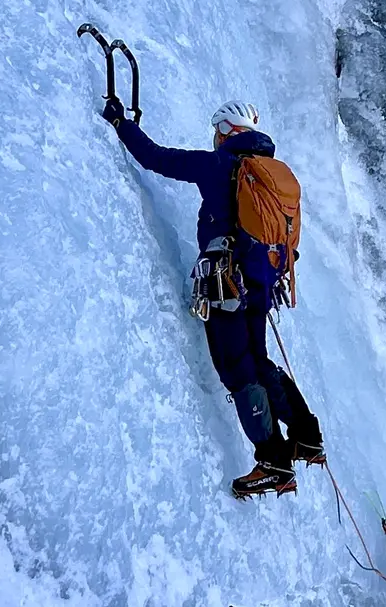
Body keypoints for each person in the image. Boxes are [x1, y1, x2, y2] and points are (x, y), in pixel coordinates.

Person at [104, 92, 324, 498]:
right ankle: (307, 434)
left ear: (226, 131)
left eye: (216, 132)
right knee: (259, 361)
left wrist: (122, 124)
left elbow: (157, 158)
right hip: (261, 283)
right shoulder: (275, 174)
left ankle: (272, 460)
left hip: (227, 284)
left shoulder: (219, 163)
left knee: (238, 370)